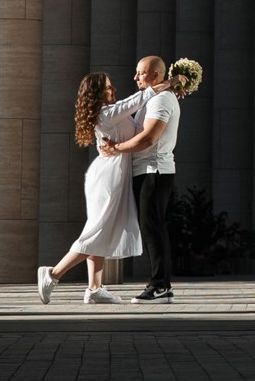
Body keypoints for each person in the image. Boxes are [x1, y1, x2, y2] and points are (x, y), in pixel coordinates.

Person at [36, 72, 142, 304]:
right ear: (96, 94)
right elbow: (137, 100)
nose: (113, 90)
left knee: (101, 230)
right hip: (108, 177)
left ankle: (94, 288)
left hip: (112, 173)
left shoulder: (109, 112)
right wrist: (171, 83)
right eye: (108, 87)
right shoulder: (106, 113)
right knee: (96, 231)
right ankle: (52, 274)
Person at [97, 55, 192, 302]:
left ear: (155, 76)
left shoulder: (161, 99)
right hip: (148, 171)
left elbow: (148, 138)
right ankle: (160, 284)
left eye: (140, 72)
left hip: (154, 170)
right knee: (152, 227)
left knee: (153, 228)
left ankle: (160, 286)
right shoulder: (153, 97)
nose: (135, 77)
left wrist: (115, 149)